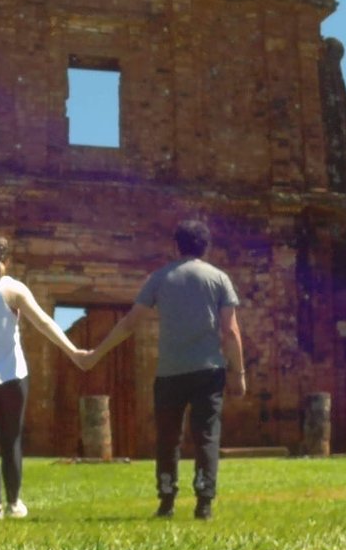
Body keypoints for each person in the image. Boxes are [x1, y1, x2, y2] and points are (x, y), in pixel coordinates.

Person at [87, 219, 245, 520]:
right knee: (207, 436)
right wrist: (239, 373)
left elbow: (131, 323)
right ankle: (204, 502)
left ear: (176, 245)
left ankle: (167, 499)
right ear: (206, 246)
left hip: (170, 372)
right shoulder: (219, 279)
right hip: (208, 370)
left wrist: (98, 351)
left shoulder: (160, 278)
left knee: (168, 437)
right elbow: (230, 331)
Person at [0, 236, 89, 518]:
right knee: (12, 438)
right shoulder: (14, 290)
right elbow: (45, 323)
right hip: (13, 374)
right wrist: (73, 351)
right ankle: (13, 504)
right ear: (6, 262)